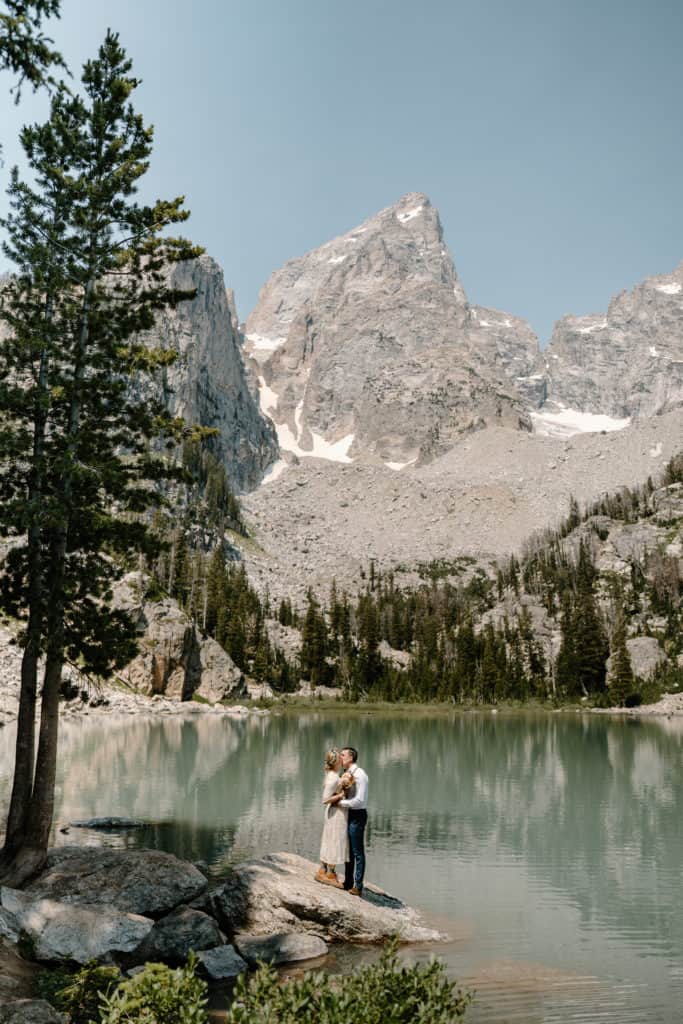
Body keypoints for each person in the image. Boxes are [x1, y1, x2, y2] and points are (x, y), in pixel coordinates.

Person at [328, 745, 368, 897]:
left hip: (357, 815)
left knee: (357, 852)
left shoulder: (360, 775)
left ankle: (358, 886)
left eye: (343, 755)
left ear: (351, 757)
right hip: (348, 814)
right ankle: (348, 882)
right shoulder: (346, 773)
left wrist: (340, 803)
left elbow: (359, 800)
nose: (340, 758)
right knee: (347, 850)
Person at [315, 748, 349, 887]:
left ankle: (323, 869)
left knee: (329, 838)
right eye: (340, 758)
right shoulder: (333, 777)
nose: (342, 759)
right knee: (335, 840)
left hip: (334, 811)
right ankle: (330, 873)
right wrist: (341, 795)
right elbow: (324, 799)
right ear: (336, 762)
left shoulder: (332, 774)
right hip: (336, 813)